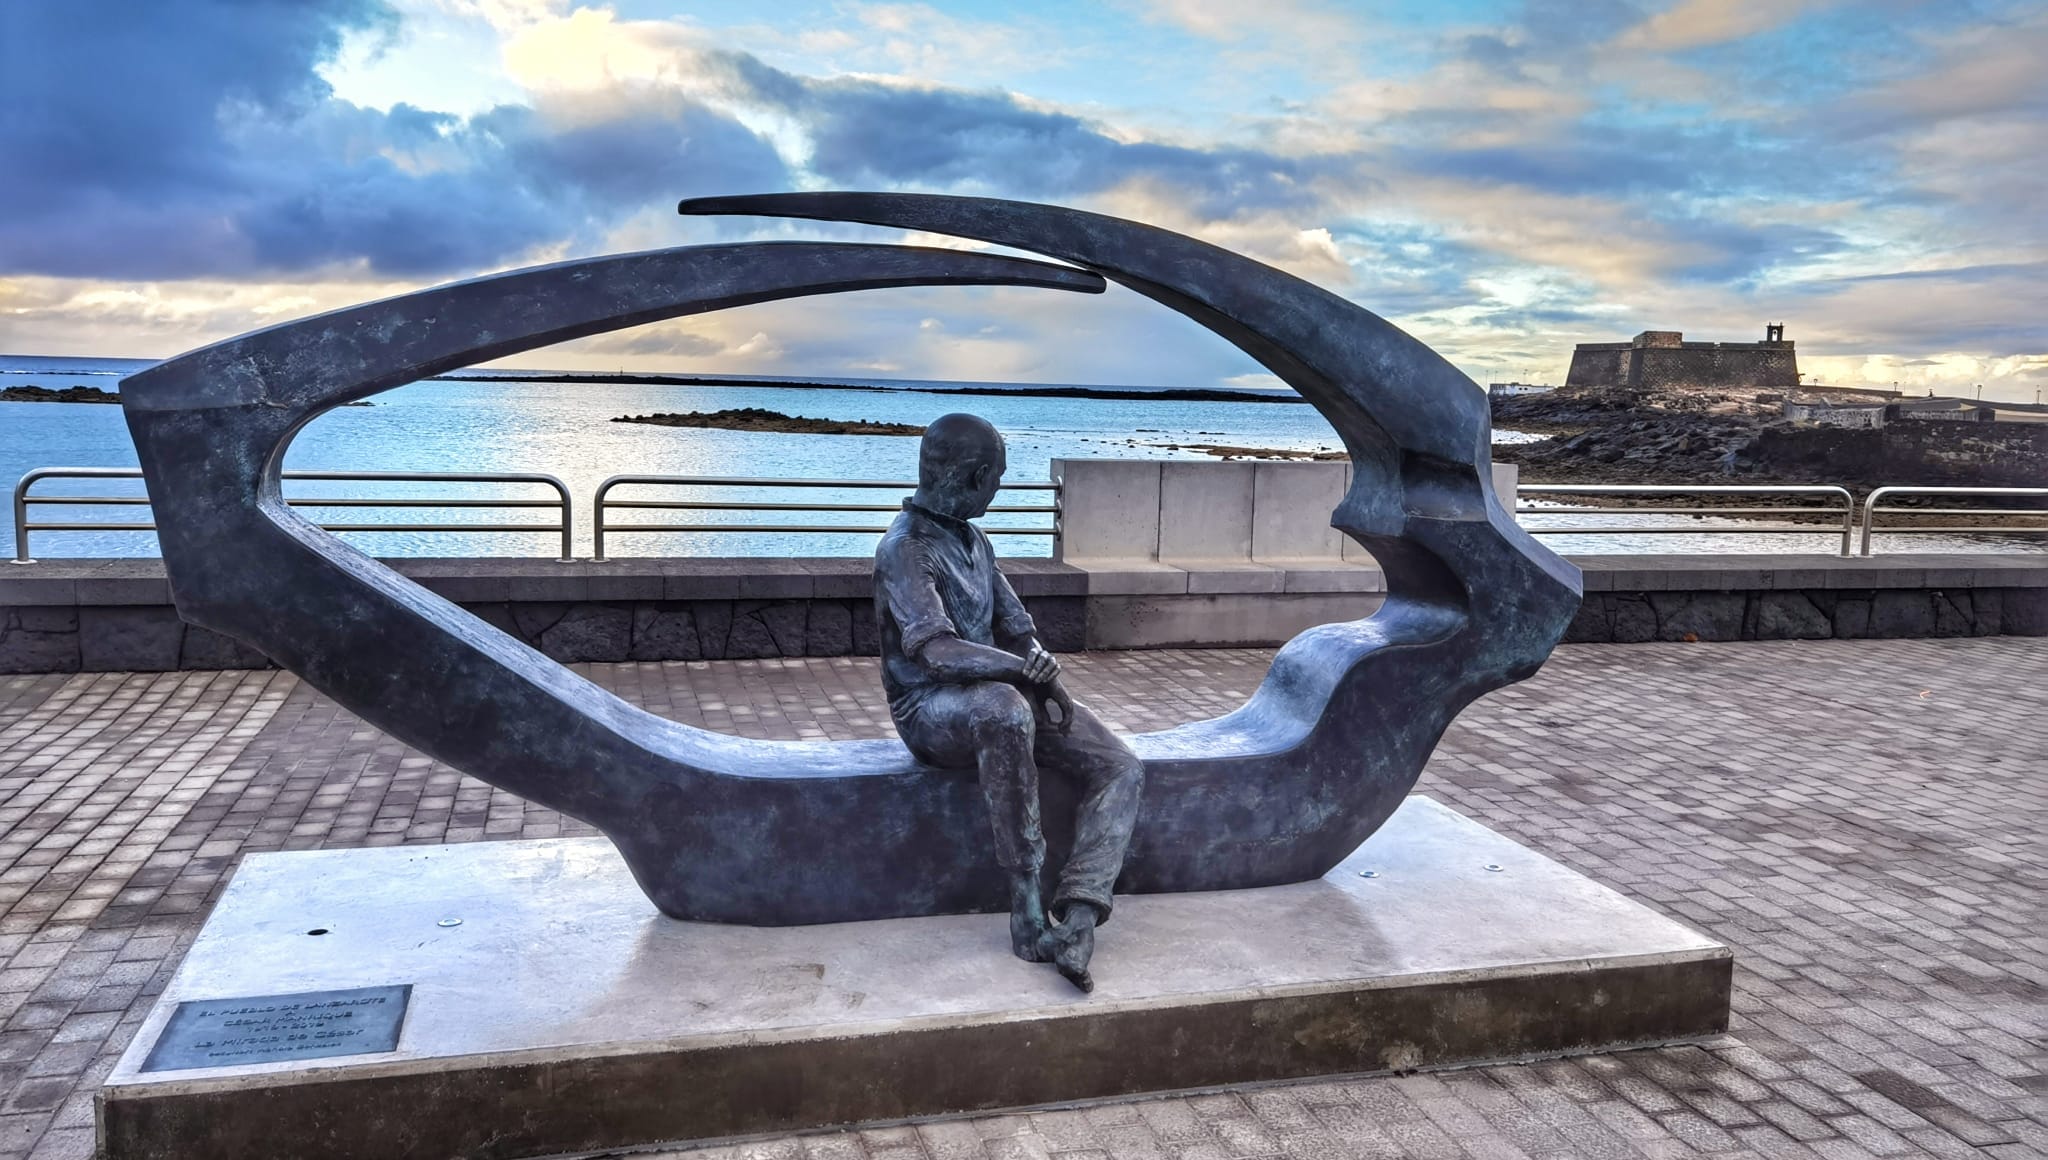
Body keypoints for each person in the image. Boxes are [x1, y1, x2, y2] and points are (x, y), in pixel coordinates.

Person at [874, 414, 1144, 992]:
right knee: (1003, 707)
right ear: (973, 478)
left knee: (1118, 764)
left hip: (996, 694)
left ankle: (1079, 909)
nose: (998, 489)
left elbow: (1017, 627)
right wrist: (1024, 673)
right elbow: (937, 652)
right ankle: (1026, 914)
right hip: (929, 710)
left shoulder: (974, 540)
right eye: (995, 478)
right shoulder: (905, 549)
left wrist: (1046, 676)